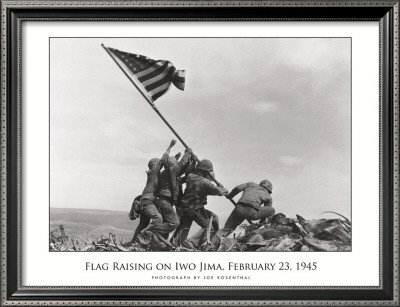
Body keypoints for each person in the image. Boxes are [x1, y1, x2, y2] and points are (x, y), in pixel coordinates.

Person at [175, 159, 229, 248]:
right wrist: (224, 189)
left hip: (186, 207)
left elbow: (207, 191)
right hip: (194, 209)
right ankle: (193, 242)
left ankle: (210, 240)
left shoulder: (191, 176)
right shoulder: (205, 182)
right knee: (209, 227)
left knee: (214, 218)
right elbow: (220, 192)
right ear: (205, 171)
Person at [134, 139, 176, 245]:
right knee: (158, 219)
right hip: (147, 201)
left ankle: (134, 242)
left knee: (143, 223)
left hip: (147, 201)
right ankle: (145, 234)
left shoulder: (154, 174)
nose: (160, 164)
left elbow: (167, 164)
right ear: (155, 164)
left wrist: (176, 158)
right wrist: (170, 146)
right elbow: (164, 159)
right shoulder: (154, 172)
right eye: (158, 163)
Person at [156, 147, 194, 238]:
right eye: (175, 161)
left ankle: (159, 241)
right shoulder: (171, 170)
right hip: (165, 201)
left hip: (165, 200)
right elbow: (181, 165)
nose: (177, 163)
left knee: (168, 222)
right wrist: (188, 152)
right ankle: (150, 232)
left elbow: (182, 170)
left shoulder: (168, 173)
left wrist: (191, 162)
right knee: (174, 222)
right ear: (172, 164)